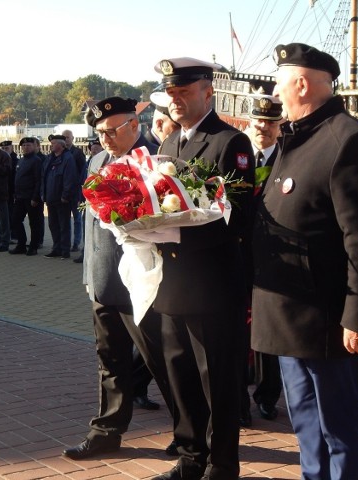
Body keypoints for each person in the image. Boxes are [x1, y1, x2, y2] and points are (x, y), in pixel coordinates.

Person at [251, 44, 358, 479]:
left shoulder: (348, 140)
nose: (275, 91)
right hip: (291, 316)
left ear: (301, 83)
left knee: (340, 429)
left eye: (279, 81)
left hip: (330, 320)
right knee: (306, 426)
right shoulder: (297, 138)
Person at [149, 57, 255, 480]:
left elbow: (241, 216)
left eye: (184, 92)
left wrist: (176, 233)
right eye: (170, 94)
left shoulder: (230, 143)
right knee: (182, 375)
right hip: (173, 283)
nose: (175, 100)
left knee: (218, 379)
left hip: (214, 284)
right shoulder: (168, 146)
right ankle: (191, 457)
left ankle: (223, 464)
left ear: (207, 92)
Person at [63, 97, 165, 461]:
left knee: (161, 362)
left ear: (134, 126)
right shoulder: (96, 161)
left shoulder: (155, 163)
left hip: (141, 284)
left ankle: (192, 434)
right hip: (103, 279)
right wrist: (90, 274)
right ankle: (106, 430)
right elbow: (93, 224)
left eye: (111, 131)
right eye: (99, 132)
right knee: (110, 360)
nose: (104, 138)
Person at [243, 93, 284, 425]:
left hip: (275, 262)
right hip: (240, 259)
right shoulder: (239, 158)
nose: (263, 128)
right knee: (239, 331)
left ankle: (268, 395)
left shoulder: (287, 159)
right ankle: (240, 393)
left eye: (270, 123)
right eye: (258, 122)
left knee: (270, 333)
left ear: (279, 127)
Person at [41, 134, 78, 259]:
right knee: (53, 224)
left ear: (61, 145)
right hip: (50, 197)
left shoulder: (68, 158)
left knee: (64, 225)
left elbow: (70, 178)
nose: (51, 145)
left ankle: (65, 250)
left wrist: (65, 195)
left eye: (54, 143)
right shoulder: (49, 158)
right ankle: (56, 248)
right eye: (51, 143)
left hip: (62, 198)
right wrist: (43, 194)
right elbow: (44, 178)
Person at [9, 137, 43, 256]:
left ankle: (33, 246)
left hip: (31, 197)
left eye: (28, 145)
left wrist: (35, 197)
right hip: (20, 196)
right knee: (15, 220)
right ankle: (21, 244)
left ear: (34, 147)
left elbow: (38, 180)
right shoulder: (21, 160)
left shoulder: (36, 161)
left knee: (34, 223)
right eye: (23, 146)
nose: (25, 147)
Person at [73, 139, 102, 264]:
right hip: (87, 200)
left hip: (99, 201)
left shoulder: (103, 162)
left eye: (97, 147)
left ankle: (96, 254)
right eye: (92, 147)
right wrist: (80, 198)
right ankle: (85, 252)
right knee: (87, 228)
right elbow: (82, 182)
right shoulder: (89, 161)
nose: (93, 149)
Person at [61, 129, 87, 252]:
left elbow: (83, 172)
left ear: (72, 138)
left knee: (77, 219)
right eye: (64, 137)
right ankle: (64, 243)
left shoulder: (77, 153)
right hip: (64, 192)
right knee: (64, 220)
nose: (66, 139)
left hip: (76, 192)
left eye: (67, 137)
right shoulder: (61, 153)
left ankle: (76, 243)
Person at [0, 139, 18, 243]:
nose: (5, 150)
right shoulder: (0, 159)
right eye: (2, 148)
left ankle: (14, 235)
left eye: (7, 148)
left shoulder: (15, 160)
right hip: (2, 191)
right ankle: (5, 234)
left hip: (12, 191)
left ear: (12, 148)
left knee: (13, 214)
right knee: (3, 215)